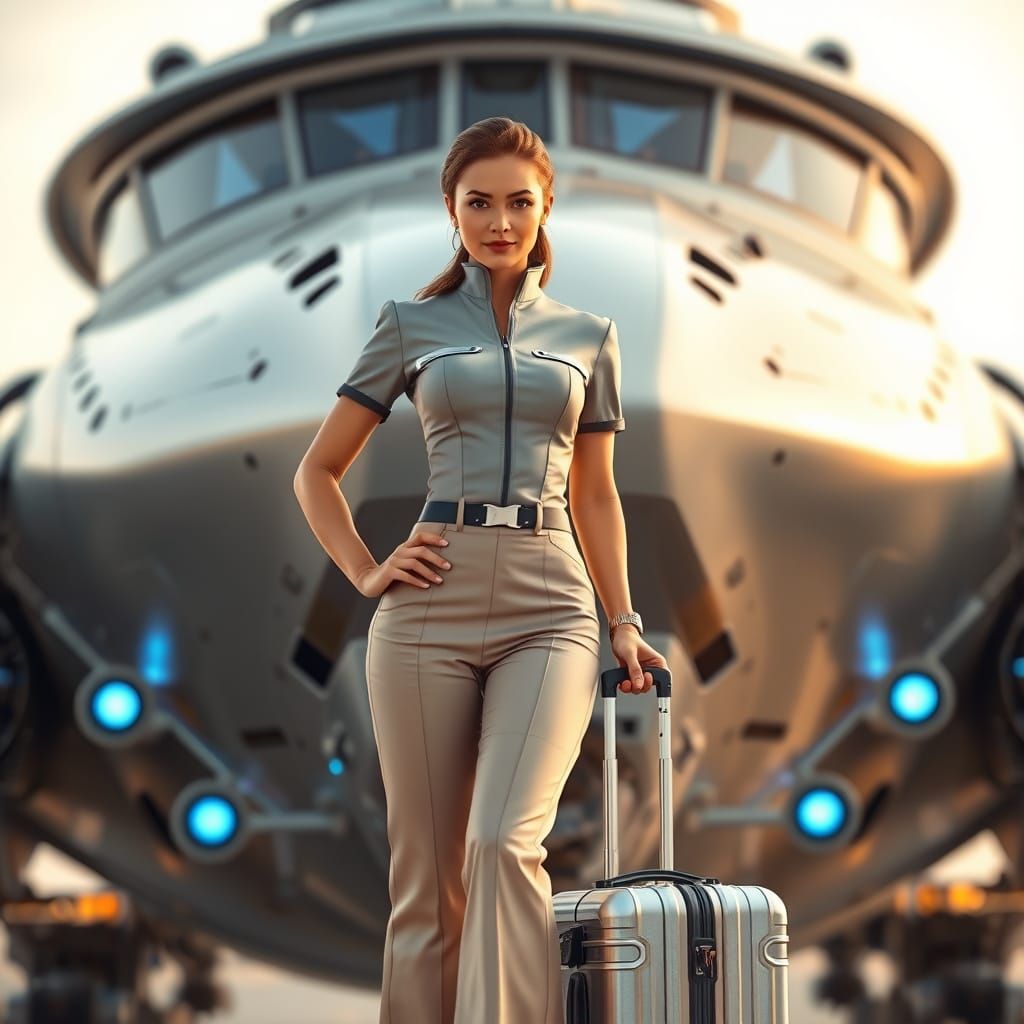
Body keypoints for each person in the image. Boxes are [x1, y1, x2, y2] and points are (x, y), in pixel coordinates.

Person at [293, 116, 668, 1024]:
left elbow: (598, 496)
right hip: (428, 606)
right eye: (479, 202)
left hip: (554, 605)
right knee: (424, 878)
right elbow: (318, 472)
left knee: (503, 842)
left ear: (545, 210)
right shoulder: (407, 325)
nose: (499, 221)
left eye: (519, 202)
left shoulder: (589, 335)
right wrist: (368, 569)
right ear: (452, 210)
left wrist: (622, 620)